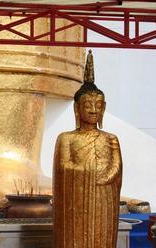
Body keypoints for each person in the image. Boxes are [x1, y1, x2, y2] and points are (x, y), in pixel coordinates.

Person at [53, 50, 122, 248]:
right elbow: (64, 167)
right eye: (88, 105)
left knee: (101, 237)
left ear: (104, 108)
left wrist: (105, 176)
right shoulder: (66, 138)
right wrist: (91, 171)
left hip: (103, 199)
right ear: (77, 108)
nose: (93, 109)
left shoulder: (111, 139)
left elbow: (117, 167)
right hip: (76, 201)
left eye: (98, 105)